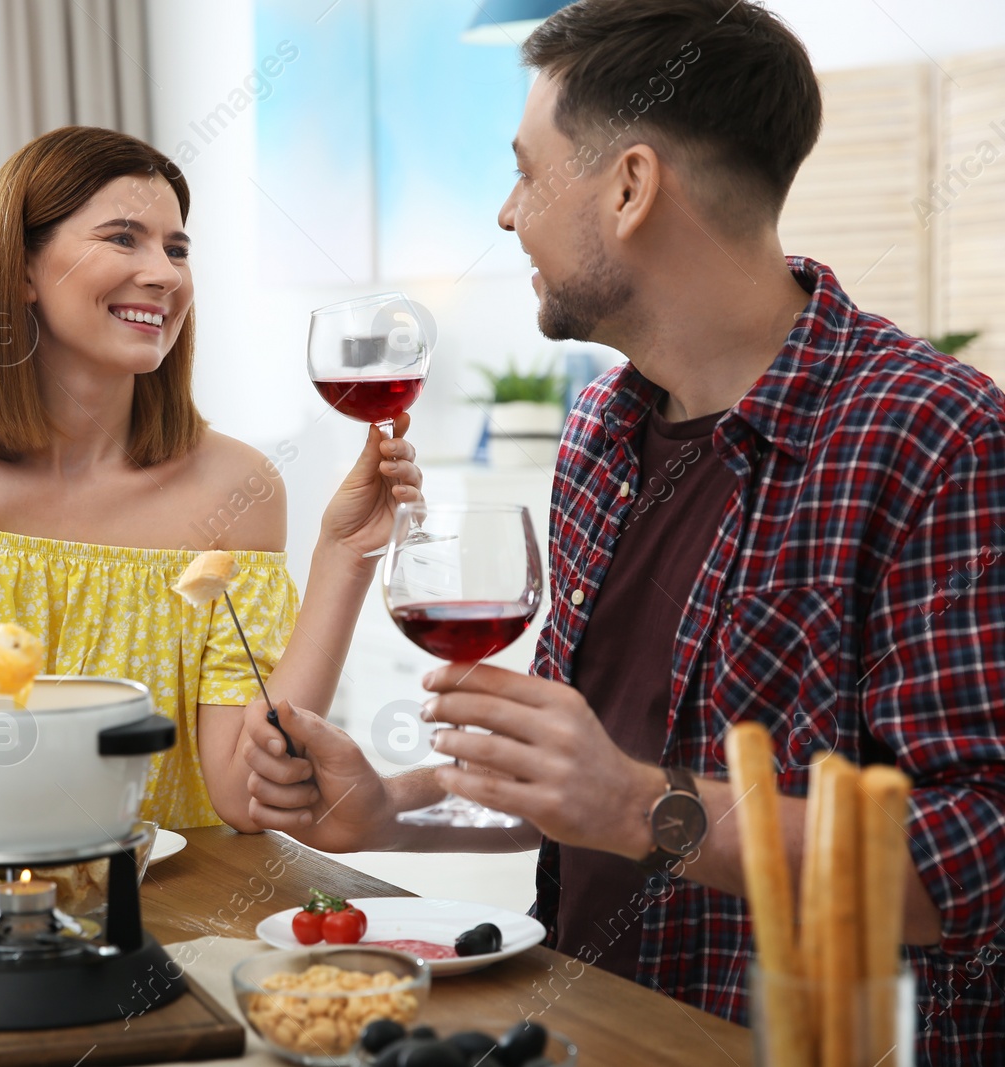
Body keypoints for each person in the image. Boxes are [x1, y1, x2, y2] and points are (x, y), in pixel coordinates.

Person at [242, 2, 1005, 1061]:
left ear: (630, 185)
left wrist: (646, 807)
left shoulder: (935, 436)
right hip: (582, 1030)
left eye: (526, 170)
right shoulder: (602, 429)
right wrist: (387, 806)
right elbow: (579, 783)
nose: (508, 214)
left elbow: (976, 855)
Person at [0, 125, 422, 834]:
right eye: (123, 238)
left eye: (177, 248)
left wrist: (346, 555)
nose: (166, 273)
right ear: (22, 270)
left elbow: (246, 792)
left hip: (180, 908)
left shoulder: (236, 488)